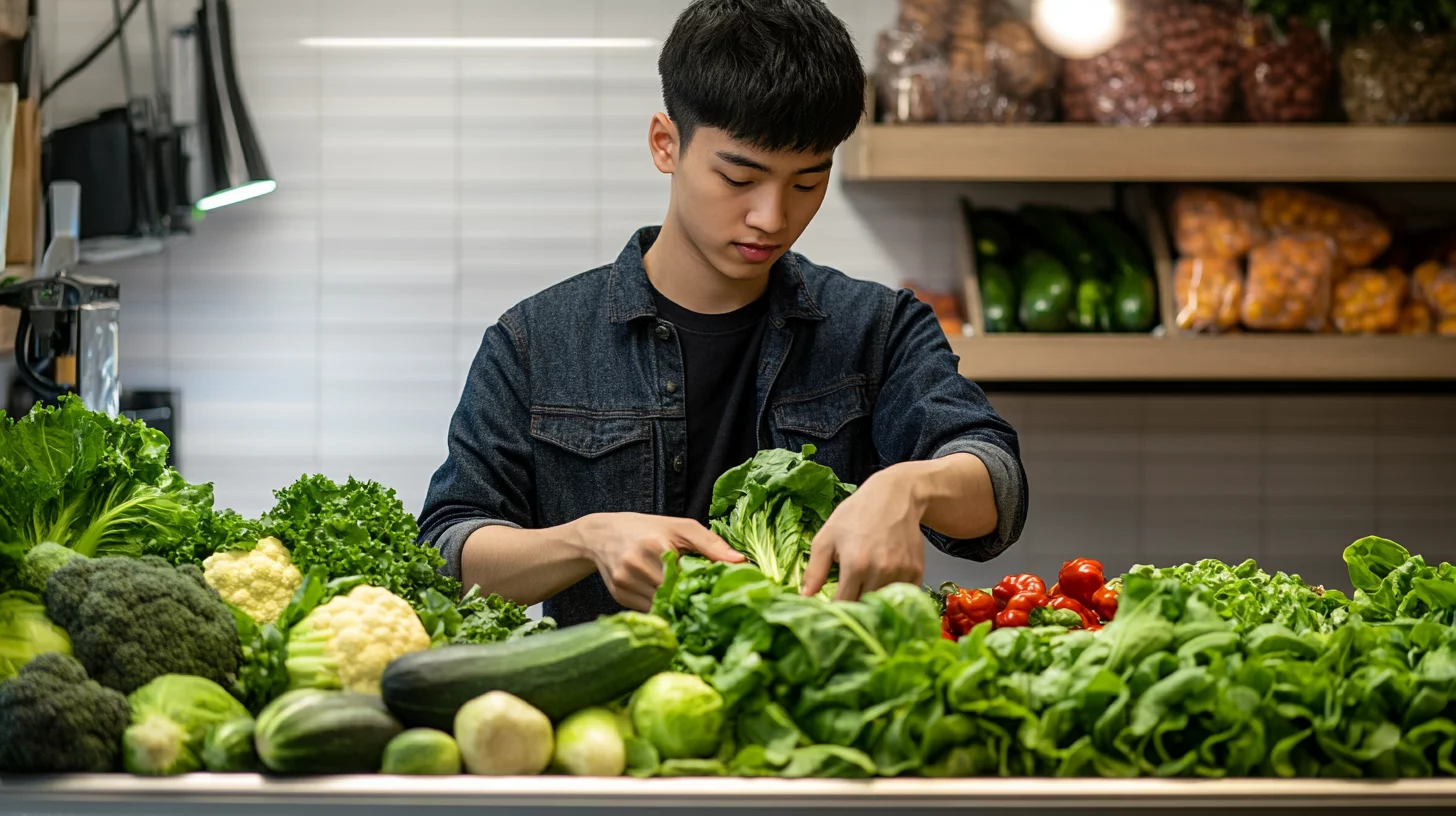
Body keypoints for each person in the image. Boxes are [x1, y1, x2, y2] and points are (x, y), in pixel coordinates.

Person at [419, 0, 1027, 627]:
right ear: (665, 144)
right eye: (740, 179)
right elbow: (446, 552)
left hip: (819, 706)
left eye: (805, 183)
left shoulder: (878, 327)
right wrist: (584, 541)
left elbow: (996, 489)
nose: (772, 217)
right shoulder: (535, 341)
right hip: (611, 713)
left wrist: (908, 487)